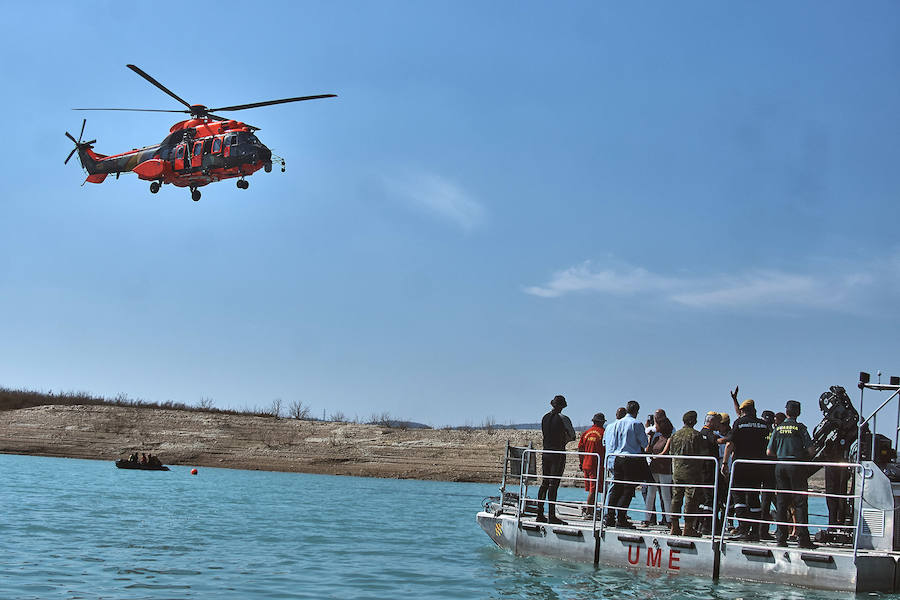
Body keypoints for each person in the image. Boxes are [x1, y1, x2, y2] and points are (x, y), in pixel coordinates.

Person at [767, 400, 816, 549]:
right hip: (796, 466)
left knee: (781, 503)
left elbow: (769, 452)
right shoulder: (800, 428)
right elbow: (811, 451)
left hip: (780, 466)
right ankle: (803, 539)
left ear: (786, 411)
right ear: (798, 412)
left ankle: (781, 538)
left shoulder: (778, 428)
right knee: (800, 502)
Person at [722, 398, 769, 541]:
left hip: (741, 466)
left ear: (743, 411)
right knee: (754, 498)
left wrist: (725, 463)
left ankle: (743, 529)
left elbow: (730, 443)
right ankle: (755, 530)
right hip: (758, 467)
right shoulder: (764, 424)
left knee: (739, 497)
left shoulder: (739, 423)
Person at [603, 400, 649, 528]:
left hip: (617, 458)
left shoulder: (617, 423)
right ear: (636, 411)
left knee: (616, 488)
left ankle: (609, 516)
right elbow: (644, 443)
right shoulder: (637, 424)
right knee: (628, 490)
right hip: (630, 459)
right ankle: (621, 518)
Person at [536, 395, 576, 524]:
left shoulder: (544, 418)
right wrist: (563, 441)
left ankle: (540, 513)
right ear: (562, 406)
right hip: (557, 453)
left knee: (544, 484)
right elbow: (572, 436)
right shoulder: (564, 419)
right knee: (554, 485)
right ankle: (552, 516)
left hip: (545, 452)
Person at [669, 411, 705, 537]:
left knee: (676, 497)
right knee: (691, 498)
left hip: (677, 471)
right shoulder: (696, 435)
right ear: (692, 421)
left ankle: (674, 526)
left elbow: (671, 451)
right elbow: (703, 453)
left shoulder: (675, 435)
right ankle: (688, 528)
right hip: (692, 471)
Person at [644, 416, 673, 527]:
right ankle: (647, 519)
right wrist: (650, 438)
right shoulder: (656, 438)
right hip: (654, 469)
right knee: (650, 494)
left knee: (666, 495)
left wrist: (655, 457)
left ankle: (669, 520)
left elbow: (665, 452)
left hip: (665, 469)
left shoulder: (669, 438)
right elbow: (648, 450)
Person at [578, 413, 606, 518]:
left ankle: (591, 510)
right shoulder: (603, 433)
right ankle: (589, 512)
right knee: (593, 489)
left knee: (591, 488)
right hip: (596, 464)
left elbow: (580, 448)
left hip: (586, 463)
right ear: (601, 422)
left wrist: (581, 462)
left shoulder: (586, 433)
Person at [697, 412, 721, 533]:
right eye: (717, 422)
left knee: (702, 498)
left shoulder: (699, 434)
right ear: (711, 421)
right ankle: (707, 525)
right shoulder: (710, 435)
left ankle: (700, 523)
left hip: (701, 470)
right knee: (709, 497)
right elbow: (719, 441)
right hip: (709, 470)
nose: (719, 424)